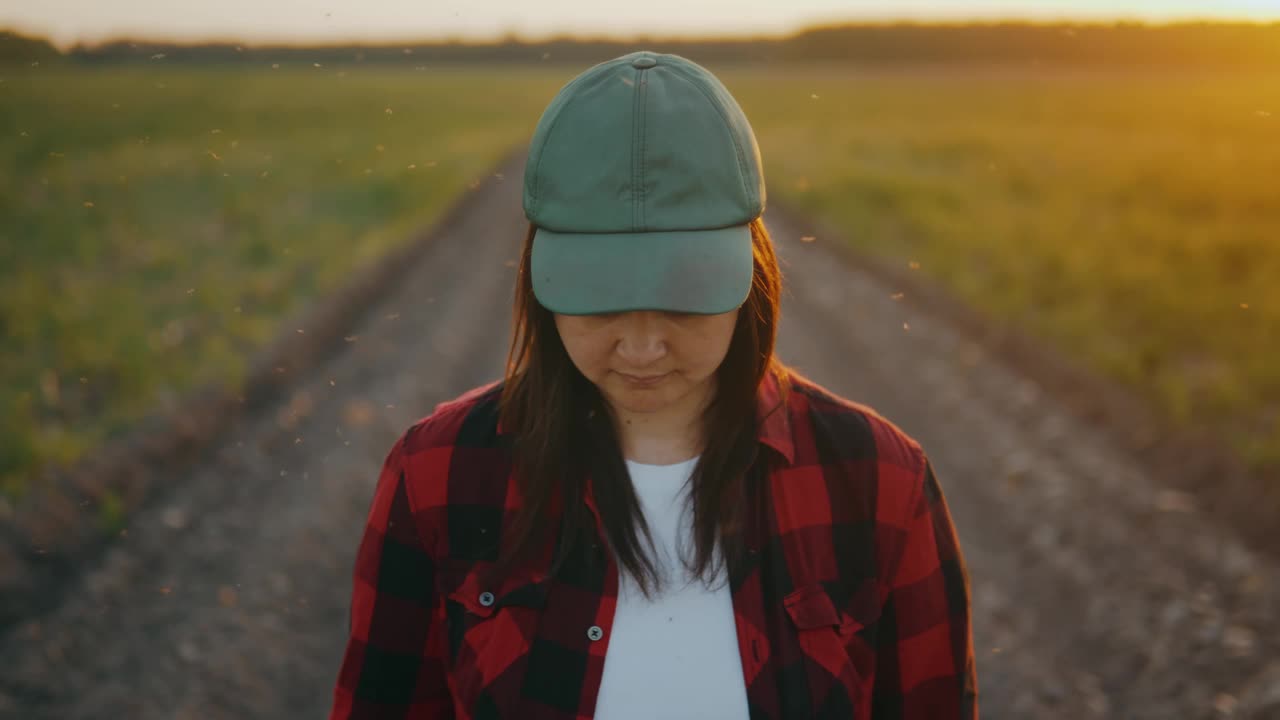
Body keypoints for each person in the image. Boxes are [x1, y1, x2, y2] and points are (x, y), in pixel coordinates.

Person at [330, 50, 977, 720]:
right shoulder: (438, 474)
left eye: (684, 298)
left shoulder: (879, 482)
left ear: (750, 277)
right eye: (599, 300)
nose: (642, 347)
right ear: (538, 282)